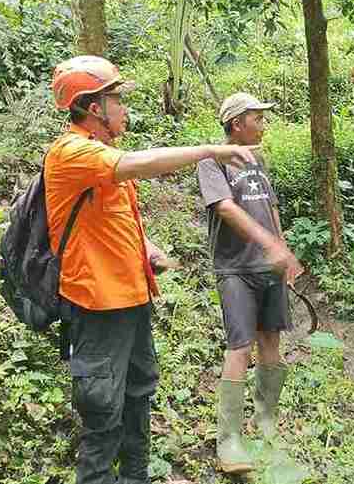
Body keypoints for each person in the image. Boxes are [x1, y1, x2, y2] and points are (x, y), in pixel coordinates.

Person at [46, 56, 257, 484]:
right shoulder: (71, 152)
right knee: (103, 411)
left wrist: (147, 248)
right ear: (91, 106)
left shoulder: (101, 154)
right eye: (117, 99)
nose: (124, 108)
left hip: (132, 299)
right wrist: (210, 150)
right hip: (97, 307)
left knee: (138, 396)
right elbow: (140, 163)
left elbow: (109, 219)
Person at [196, 92, 304, 474]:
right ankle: (229, 440)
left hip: (268, 268)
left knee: (271, 341)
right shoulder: (212, 161)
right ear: (236, 123)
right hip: (235, 269)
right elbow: (225, 208)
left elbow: (270, 207)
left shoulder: (257, 159)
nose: (263, 124)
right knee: (240, 346)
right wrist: (269, 244)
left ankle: (267, 427)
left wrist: (284, 252)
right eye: (257, 118)